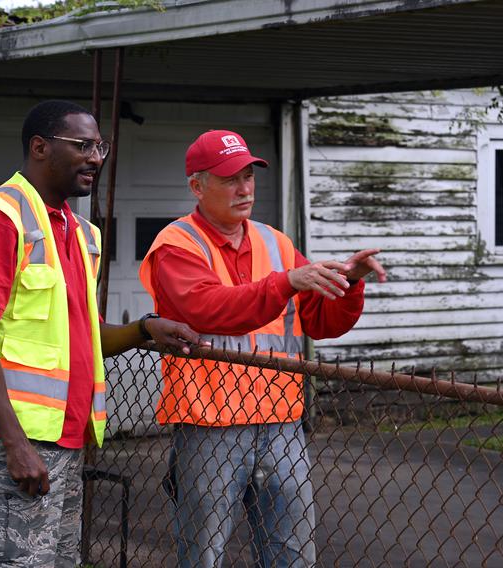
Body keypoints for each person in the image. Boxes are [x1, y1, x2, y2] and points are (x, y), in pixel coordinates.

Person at [0, 100, 204, 567]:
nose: (96, 157)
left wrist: (142, 330)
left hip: (64, 441)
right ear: (39, 147)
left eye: (101, 146)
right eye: (83, 145)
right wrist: (15, 444)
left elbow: (83, 336)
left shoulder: (80, 233)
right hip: (9, 443)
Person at [138, 129, 387, 568]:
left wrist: (349, 282)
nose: (245, 188)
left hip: (280, 423)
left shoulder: (276, 242)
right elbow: (209, 309)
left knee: (291, 555)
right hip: (209, 425)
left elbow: (322, 322)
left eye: (249, 176)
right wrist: (286, 281)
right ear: (197, 186)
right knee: (202, 556)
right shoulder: (176, 246)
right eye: (230, 178)